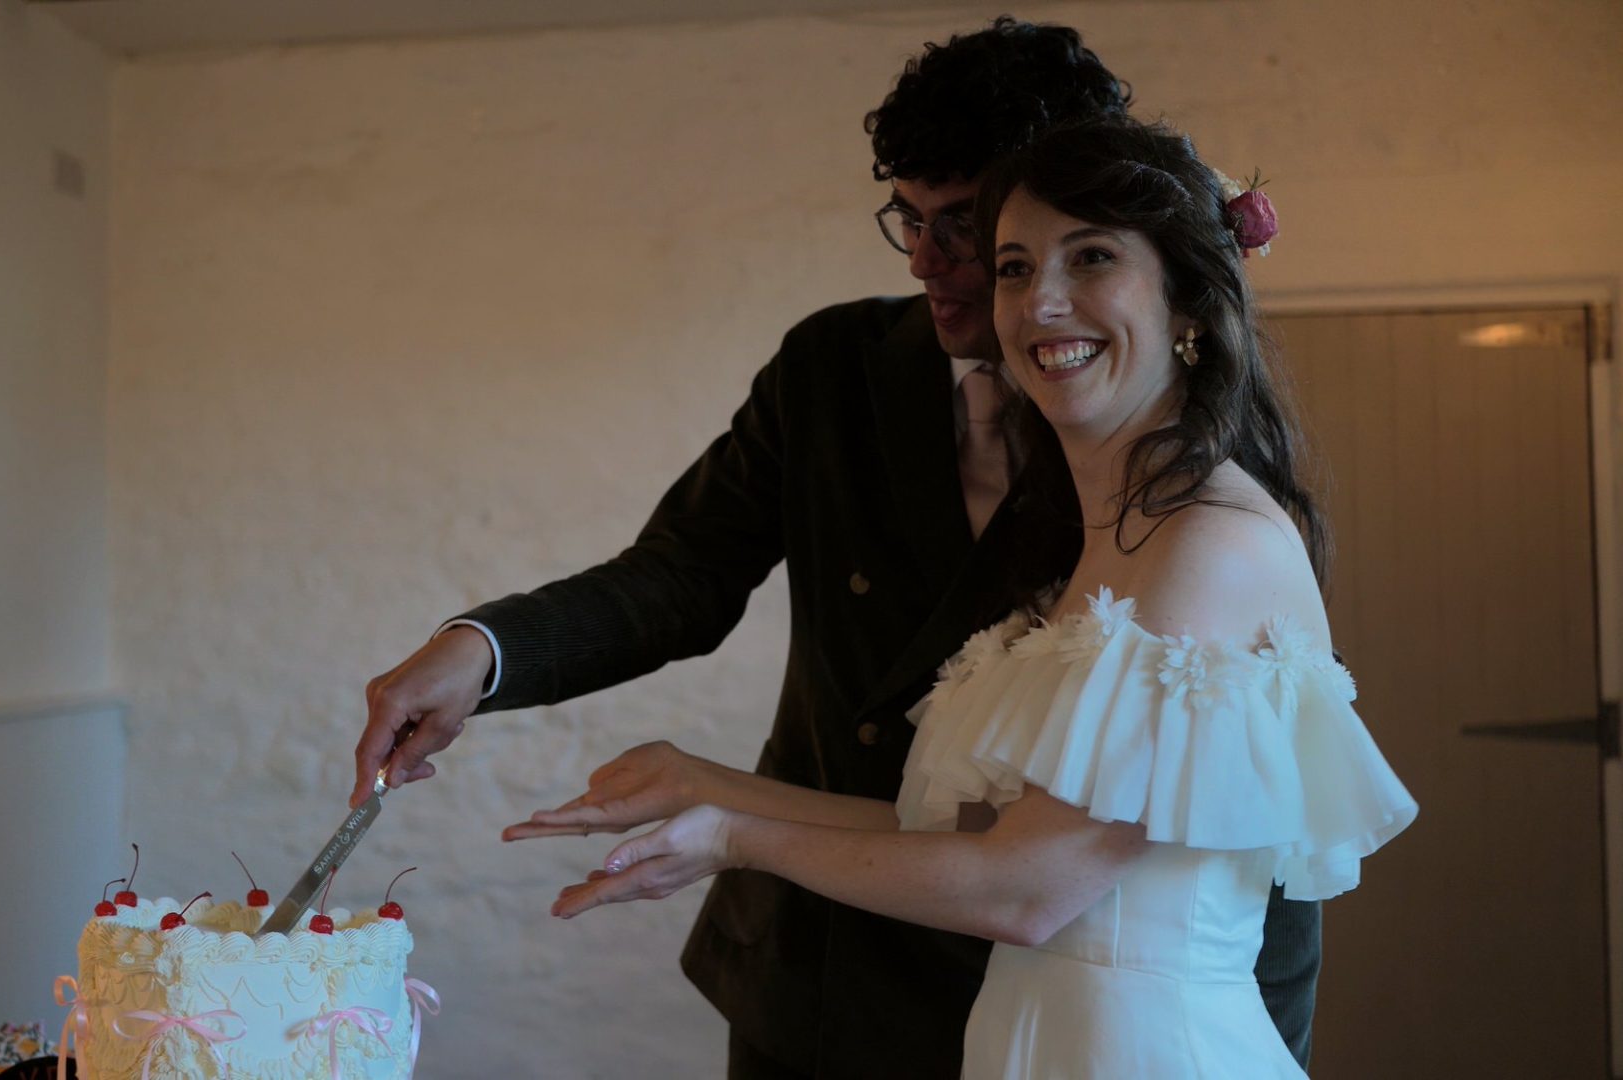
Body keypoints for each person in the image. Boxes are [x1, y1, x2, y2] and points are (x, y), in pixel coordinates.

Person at [354, 20, 1319, 1077]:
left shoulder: (1179, 501)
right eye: (912, 221)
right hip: (813, 977)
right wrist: (484, 651)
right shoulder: (834, 367)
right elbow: (680, 572)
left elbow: (1244, 827)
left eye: (965, 227)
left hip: (1029, 986)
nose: (928, 262)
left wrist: (1253, 1039)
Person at [513, 117, 1418, 1077]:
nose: (1041, 304)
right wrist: (702, 783)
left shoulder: (1210, 541)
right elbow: (967, 840)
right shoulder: (1105, 538)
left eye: (1093, 257)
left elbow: (1023, 891)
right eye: (1017, 267)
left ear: (1190, 302)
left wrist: (741, 836)